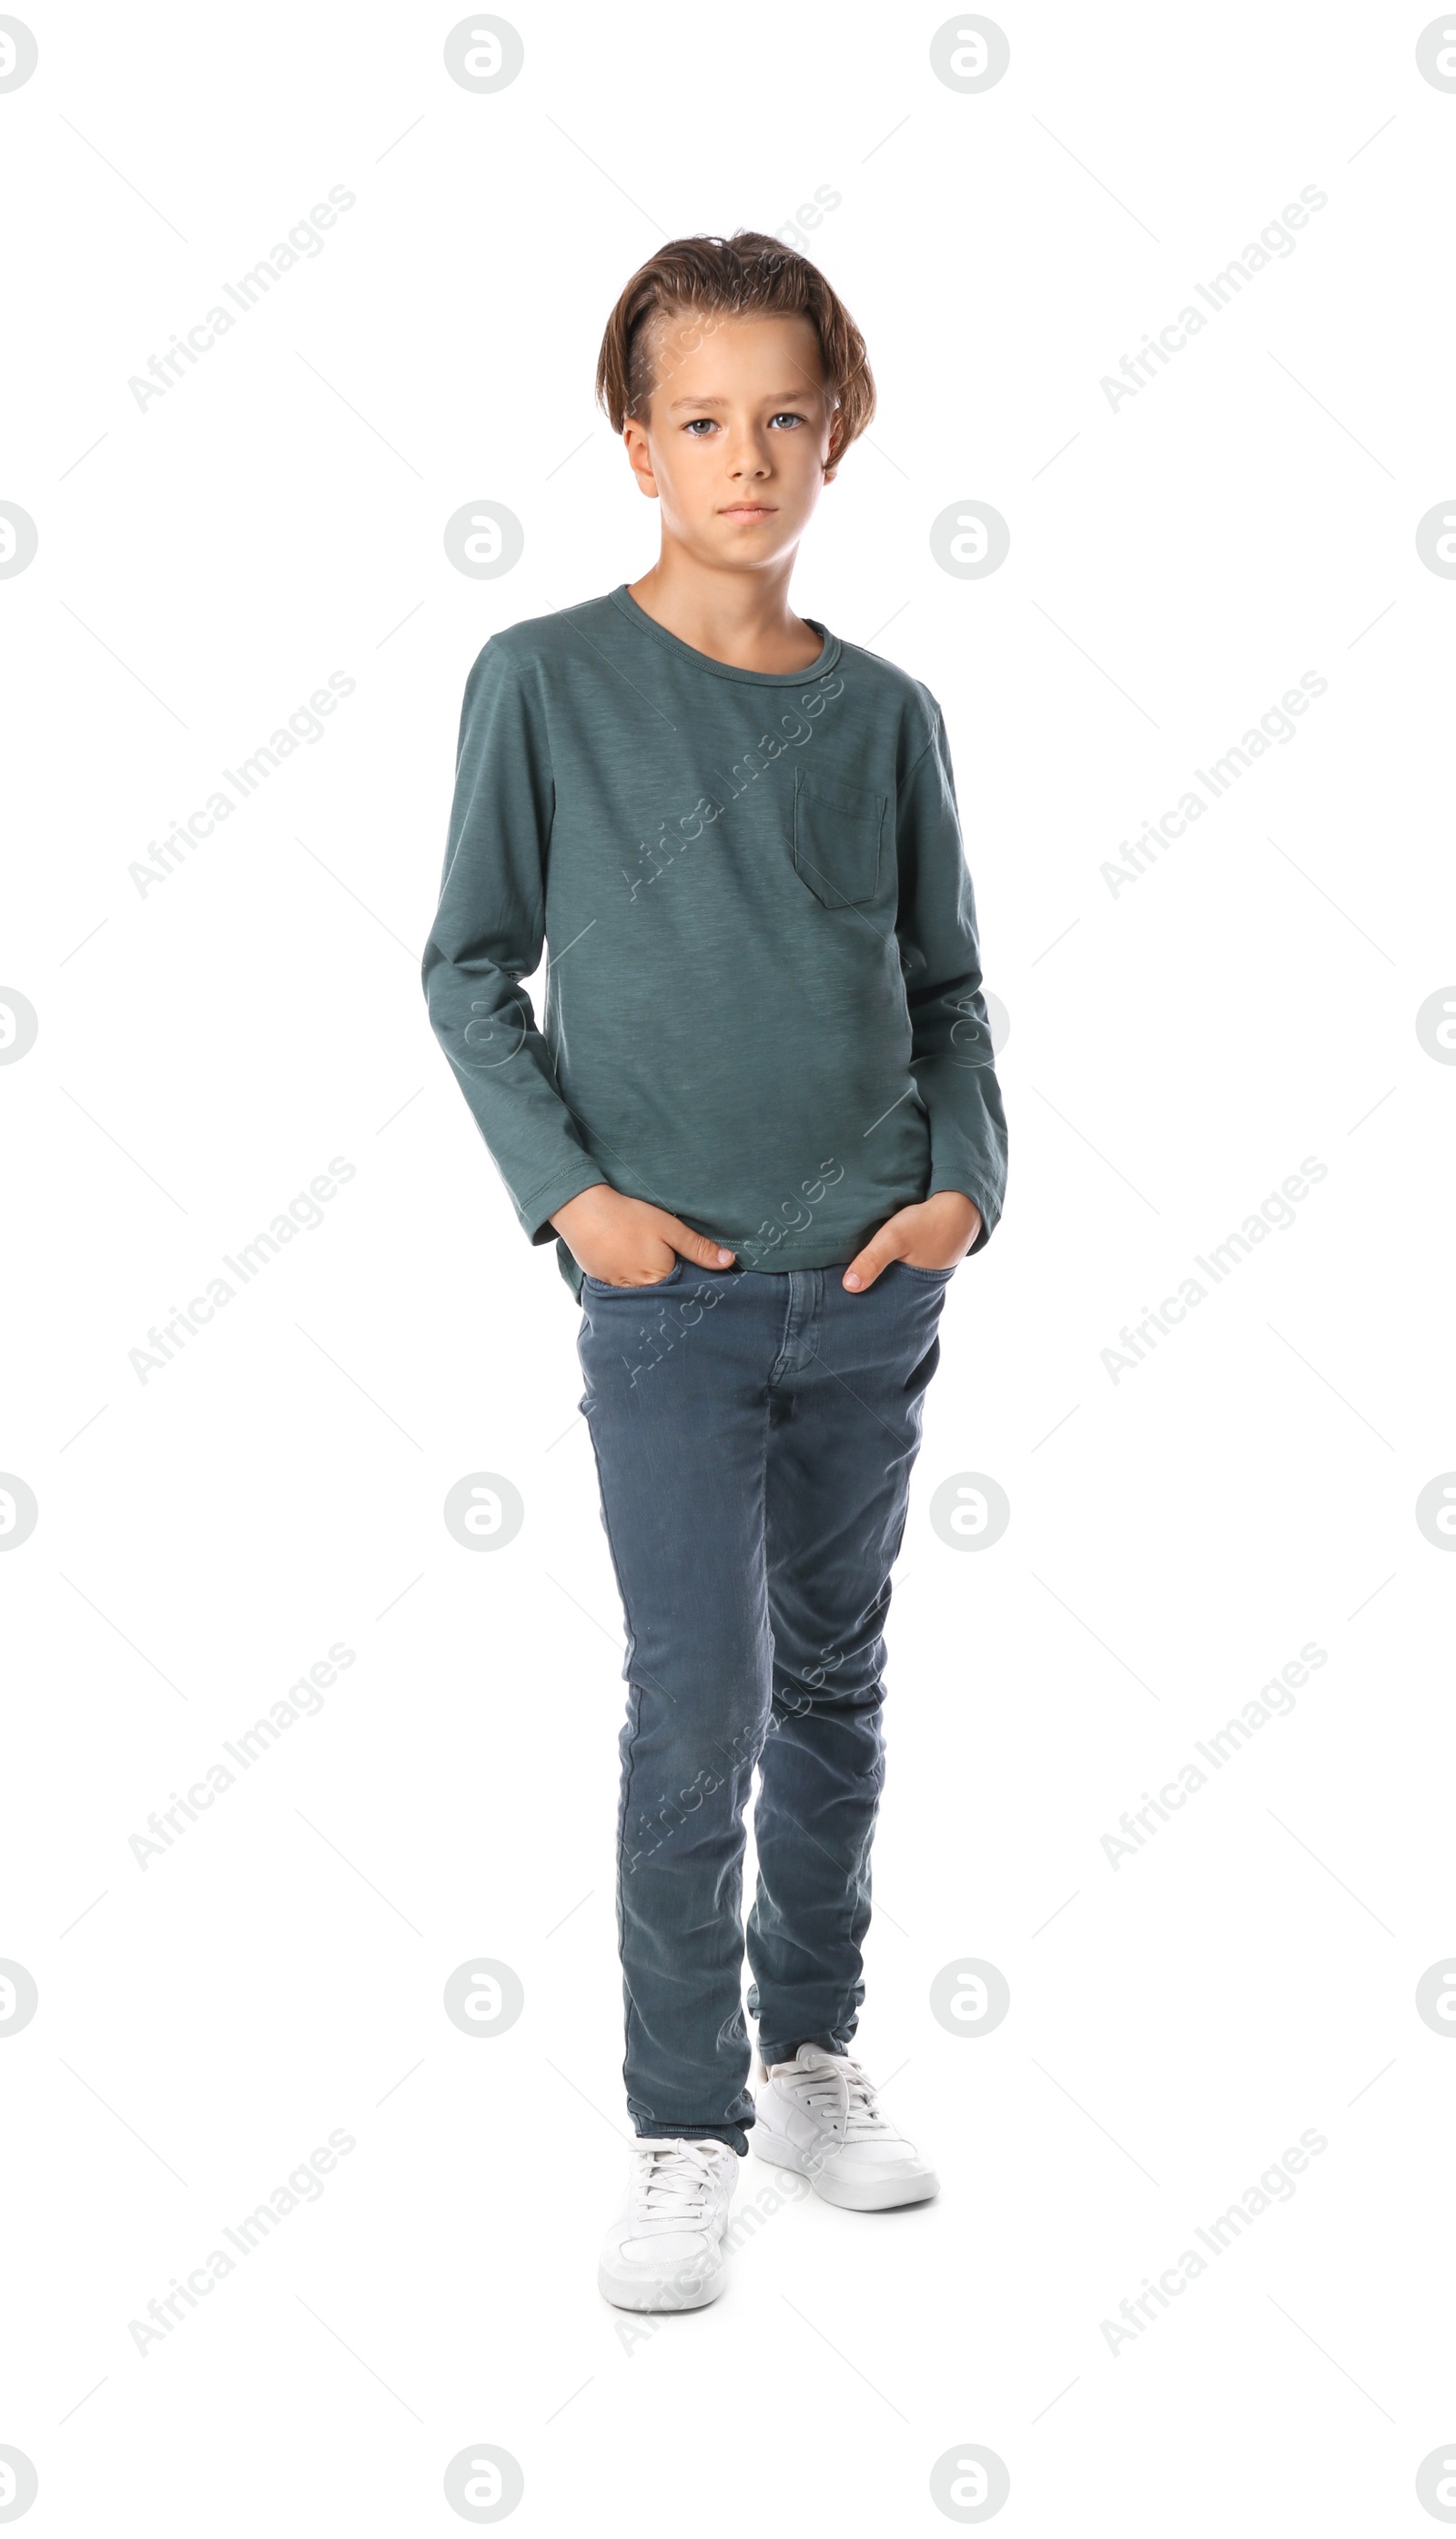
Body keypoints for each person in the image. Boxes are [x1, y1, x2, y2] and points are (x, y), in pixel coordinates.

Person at [421, 229, 1007, 2312]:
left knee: (836, 1683)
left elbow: (945, 990)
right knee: (697, 1703)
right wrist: (576, 1201)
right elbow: (467, 967)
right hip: (662, 1301)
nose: (741, 456)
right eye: (699, 421)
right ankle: (680, 2122)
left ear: (835, 433)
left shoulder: (886, 717)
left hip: (868, 1290)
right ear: (634, 440)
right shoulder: (545, 684)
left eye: (782, 416)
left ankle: (804, 2051)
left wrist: (960, 1188)